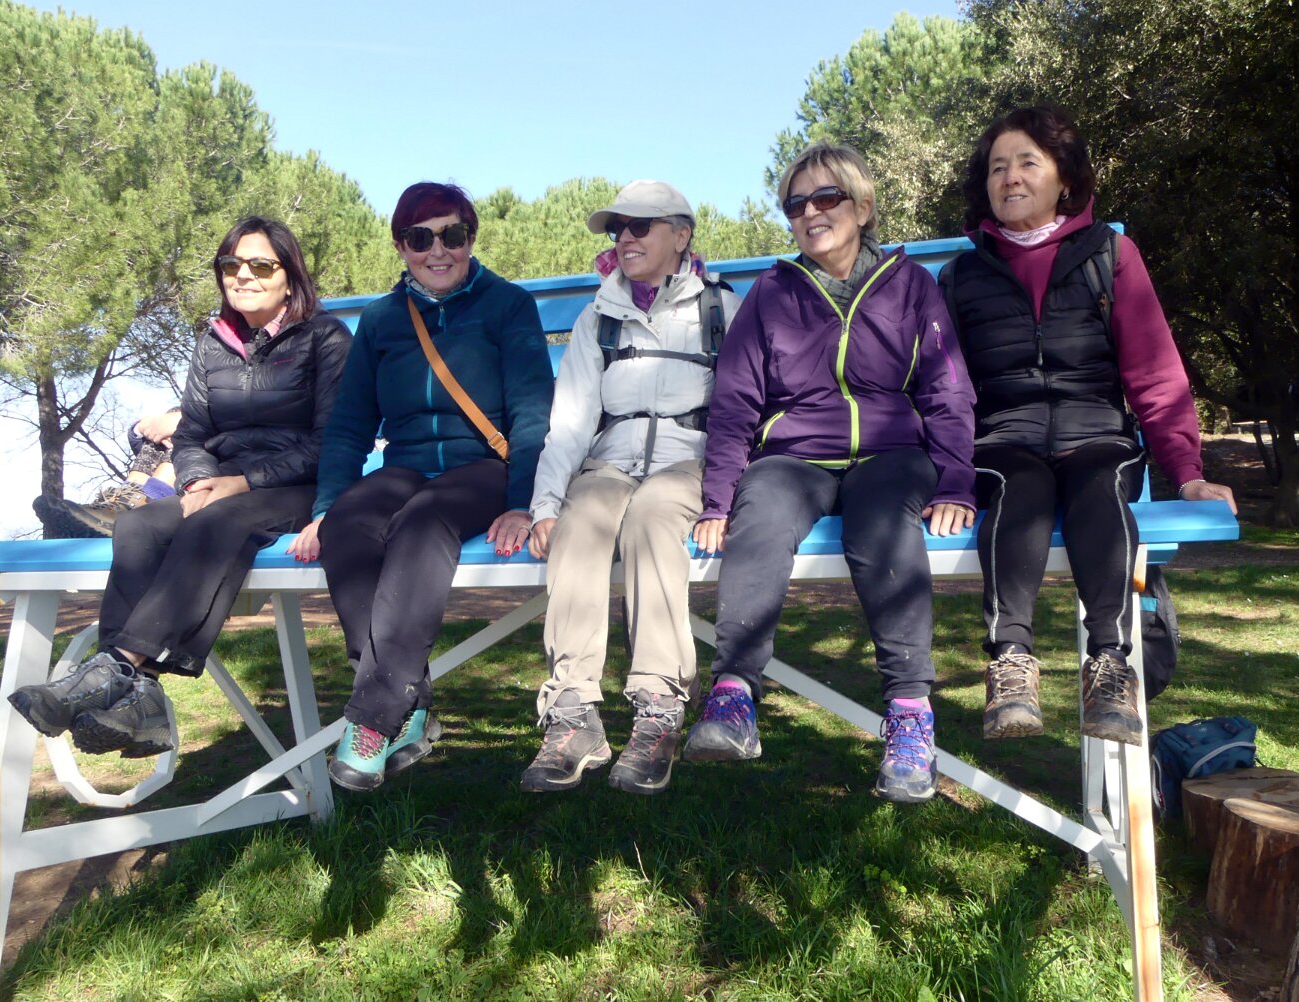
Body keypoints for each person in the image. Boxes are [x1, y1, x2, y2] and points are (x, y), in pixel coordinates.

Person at [682, 142, 977, 803]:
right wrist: (717, 500)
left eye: (826, 198)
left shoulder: (911, 286)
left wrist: (957, 480)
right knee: (760, 512)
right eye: (796, 205)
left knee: (883, 525)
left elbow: (947, 390)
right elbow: (735, 403)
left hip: (890, 454)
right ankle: (733, 695)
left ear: (863, 207)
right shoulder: (772, 294)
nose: (810, 213)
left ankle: (910, 713)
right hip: (796, 457)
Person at [941, 106, 1237, 746]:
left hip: (1097, 434)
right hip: (1004, 440)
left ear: (1065, 178)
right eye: (997, 167)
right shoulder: (960, 276)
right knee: (1018, 490)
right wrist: (948, 479)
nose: (1010, 177)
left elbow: (1154, 371)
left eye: (1027, 162)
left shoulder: (1111, 255)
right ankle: (1010, 664)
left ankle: (1109, 666)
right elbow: (946, 389)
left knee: (1099, 488)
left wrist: (1187, 473)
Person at [8, 217, 352, 756]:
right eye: (231, 264)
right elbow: (191, 433)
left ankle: (113, 668)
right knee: (139, 525)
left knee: (217, 522)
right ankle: (141, 701)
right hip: (217, 483)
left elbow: (332, 440)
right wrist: (195, 479)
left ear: (290, 277)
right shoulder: (212, 343)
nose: (243, 275)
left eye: (261, 265)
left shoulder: (325, 338)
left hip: (296, 484)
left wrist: (242, 481)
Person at [287, 181, 553, 793]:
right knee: (349, 525)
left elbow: (533, 413)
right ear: (400, 246)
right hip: (404, 467)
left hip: (483, 467)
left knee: (423, 523)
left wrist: (523, 502)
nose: (438, 250)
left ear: (470, 238)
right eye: (419, 237)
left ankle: (374, 718)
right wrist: (326, 507)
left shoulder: (507, 306)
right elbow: (350, 424)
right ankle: (410, 700)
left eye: (452, 234)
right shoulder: (382, 320)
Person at [519, 180, 742, 796]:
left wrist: (723, 496)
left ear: (681, 235)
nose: (625, 238)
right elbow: (570, 422)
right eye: (618, 229)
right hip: (609, 463)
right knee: (578, 524)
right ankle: (573, 713)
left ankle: (659, 707)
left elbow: (743, 410)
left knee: (651, 519)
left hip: (687, 463)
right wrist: (545, 504)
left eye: (640, 226)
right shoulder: (599, 316)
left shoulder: (720, 311)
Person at [54, 408, 184, 537]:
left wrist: (185, 421)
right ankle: (128, 498)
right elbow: (139, 439)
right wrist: (147, 425)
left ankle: (148, 501)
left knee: (188, 427)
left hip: (181, 500)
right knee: (172, 420)